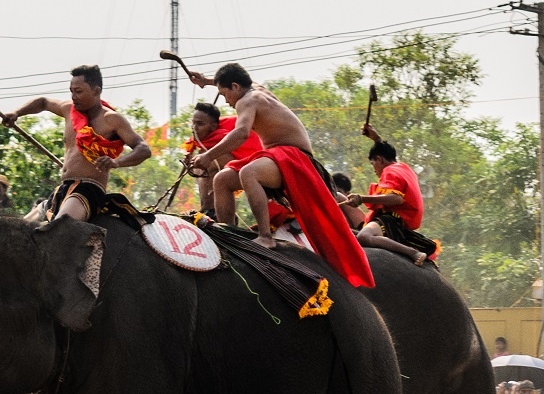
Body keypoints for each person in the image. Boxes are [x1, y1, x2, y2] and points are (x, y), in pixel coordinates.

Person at [183, 62, 376, 286]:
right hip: (277, 154)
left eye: (224, 93)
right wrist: (207, 81)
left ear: (235, 87)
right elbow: (240, 82)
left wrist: (207, 157)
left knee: (249, 173)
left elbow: (241, 134)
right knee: (222, 179)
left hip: (294, 157)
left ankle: (266, 237)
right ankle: (230, 237)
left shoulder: (247, 100)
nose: (226, 100)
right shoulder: (254, 88)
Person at [2, 64, 155, 224]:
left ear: (96, 91)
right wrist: (16, 113)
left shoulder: (111, 119)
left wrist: (116, 162)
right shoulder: (69, 109)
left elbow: (143, 149)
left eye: (79, 91)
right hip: (62, 189)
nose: (73, 96)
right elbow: (43, 102)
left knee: (60, 228)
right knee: (19, 230)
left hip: (88, 190)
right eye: (72, 91)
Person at [346, 132, 440, 264]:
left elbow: (396, 199)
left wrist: (362, 198)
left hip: (391, 219)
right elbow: (385, 152)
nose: (374, 170)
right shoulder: (402, 167)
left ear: (379, 160)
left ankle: (412, 252)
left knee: (364, 237)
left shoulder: (390, 171)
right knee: (346, 232)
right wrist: (376, 139)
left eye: (373, 164)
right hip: (396, 220)